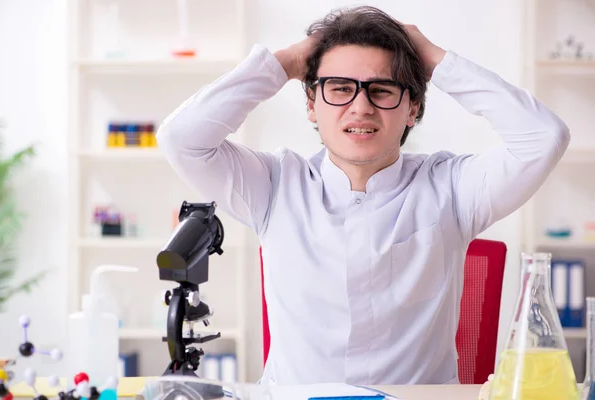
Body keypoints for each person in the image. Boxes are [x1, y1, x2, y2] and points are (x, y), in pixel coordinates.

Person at [156, 6, 570, 386]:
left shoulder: (452, 188)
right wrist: (286, 63)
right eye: (339, 88)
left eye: (382, 90)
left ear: (413, 109)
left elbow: (544, 138)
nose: (360, 107)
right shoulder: (274, 184)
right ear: (311, 105)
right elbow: (181, 138)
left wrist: (435, 59)